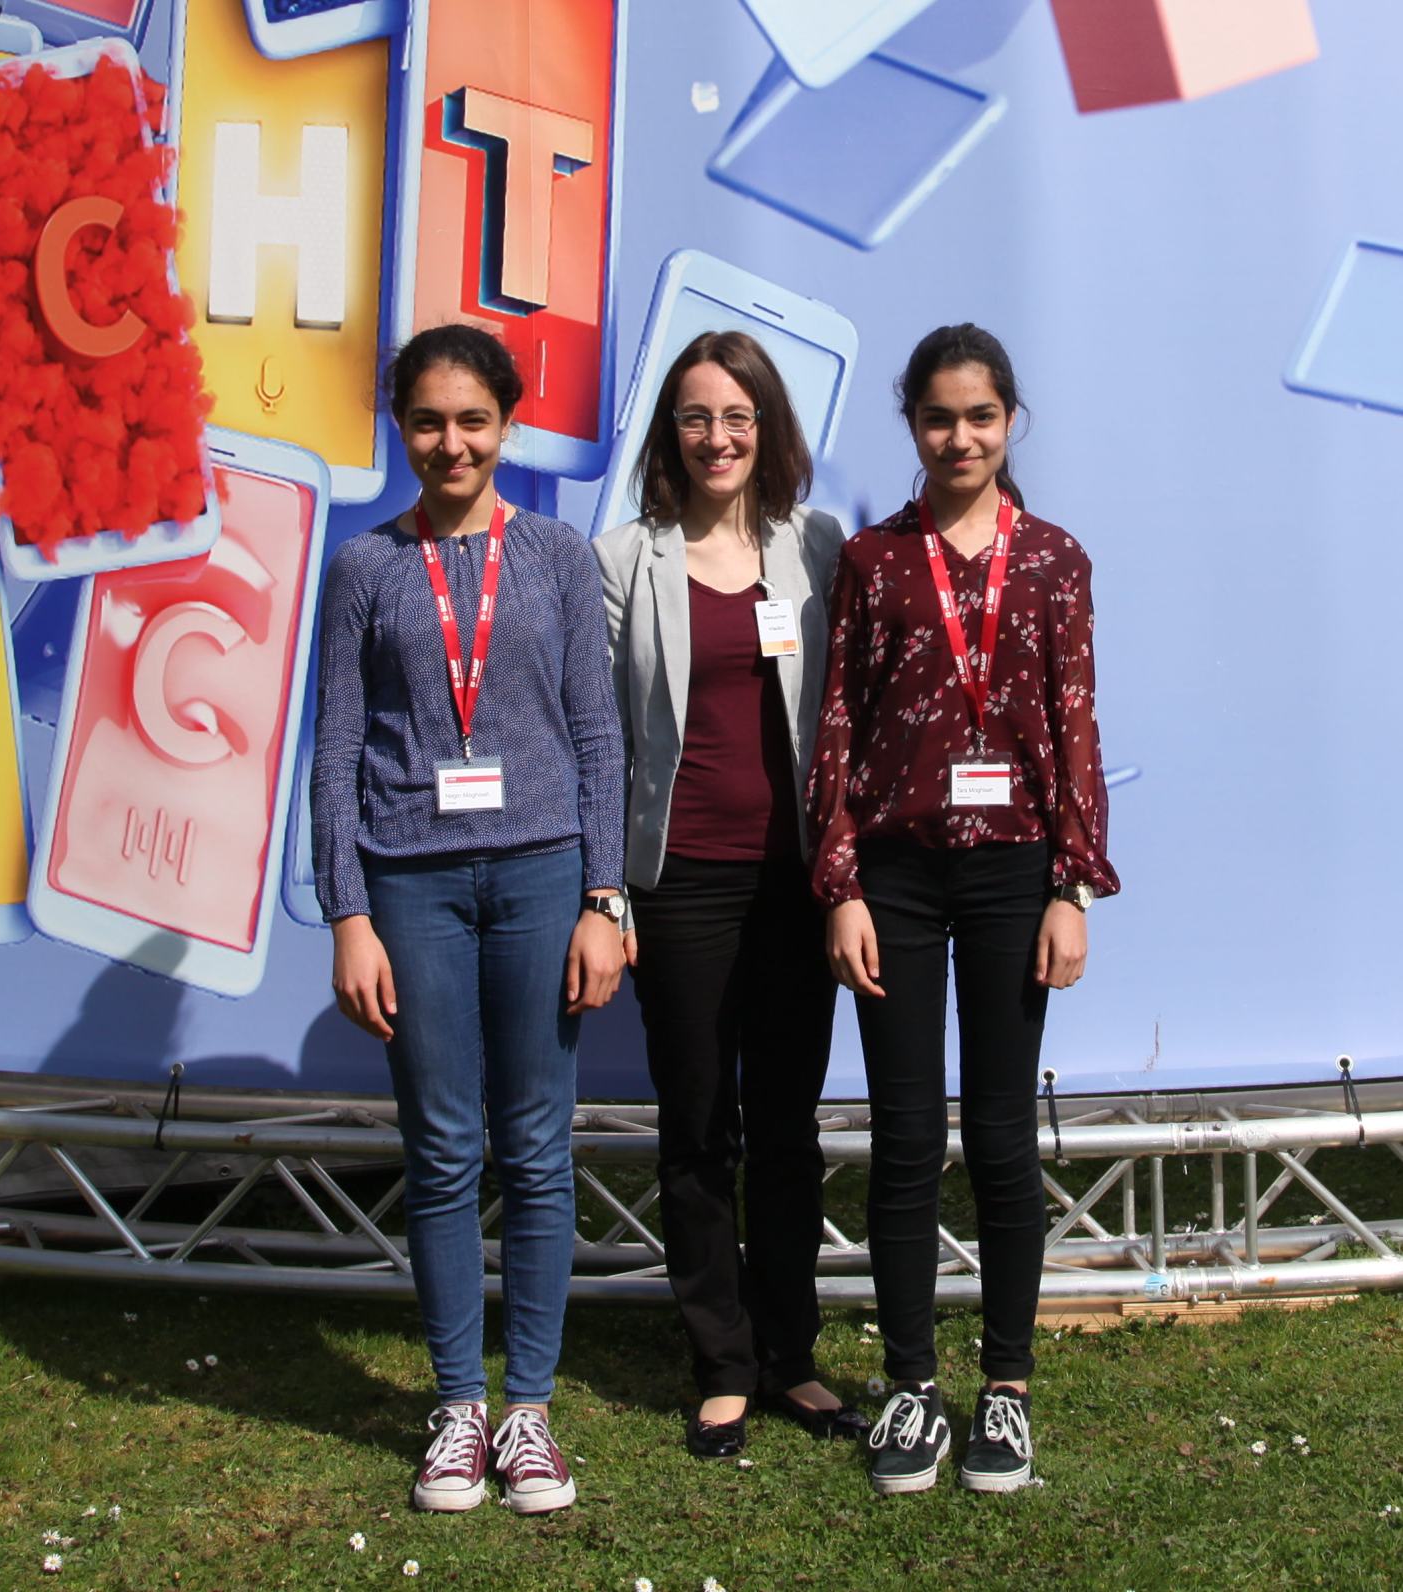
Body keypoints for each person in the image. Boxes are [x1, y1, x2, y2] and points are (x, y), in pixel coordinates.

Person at [310, 324, 626, 1515]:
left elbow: (596, 735)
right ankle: (457, 1405)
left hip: (542, 874)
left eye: (474, 419)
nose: (452, 442)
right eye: (429, 420)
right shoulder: (363, 567)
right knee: (443, 1148)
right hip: (412, 882)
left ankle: (529, 1410)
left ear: (509, 423)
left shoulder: (557, 556)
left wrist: (603, 896)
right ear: (402, 426)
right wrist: (348, 910)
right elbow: (336, 749)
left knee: (536, 1146)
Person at [808, 324, 1119, 1496]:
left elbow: (1075, 721)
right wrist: (840, 881)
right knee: (903, 1135)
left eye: (980, 416)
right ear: (912, 423)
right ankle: (909, 1385)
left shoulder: (1056, 560)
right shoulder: (876, 558)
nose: (959, 437)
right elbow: (837, 721)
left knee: (998, 1132)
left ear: (1010, 420)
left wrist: (1072, 887)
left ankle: (1006, 1388)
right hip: (894, 872)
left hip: (1013, 872)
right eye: (938, 417)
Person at [596, 330, 863, 1460]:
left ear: (769, 428)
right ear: (672, 432)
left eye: (739, 416)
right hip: (682, 884)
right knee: (699, 1126)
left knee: (789, 1130)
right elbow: (604, 741)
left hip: (797, 884)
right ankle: (721, 1363)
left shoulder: (819, 546)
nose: (718, 437)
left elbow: (844, 716)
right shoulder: (624, 560)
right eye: (698, 416)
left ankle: (791, 1355)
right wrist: (607, 896)